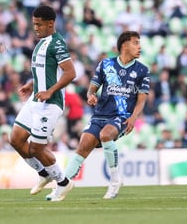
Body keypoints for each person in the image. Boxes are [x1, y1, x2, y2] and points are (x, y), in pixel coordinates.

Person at [46, 31, 150, 200]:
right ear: (124, 46)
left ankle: (115, 180)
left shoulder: (142, 70)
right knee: (83, 146)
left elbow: (142, 100)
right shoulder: (105, 64)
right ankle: (61, 186)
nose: (139, 47)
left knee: (105, 135)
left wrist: (134, 118)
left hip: (122, 116)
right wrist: (90, 95)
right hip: (100, 114)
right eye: (136, 43)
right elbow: (92, 88)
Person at [10, 5, 76, 202]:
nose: (36, 28)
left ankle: (64, 183)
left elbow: (71, 73)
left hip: (51, 102)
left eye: (39, 24)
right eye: (34, 24)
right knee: (15, 139)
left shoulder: (56, 44)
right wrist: (32, 84)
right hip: (36, 99)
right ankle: (44, 173)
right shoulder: (41, 43)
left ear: (51, 24)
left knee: (36, 148)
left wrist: (50, 90)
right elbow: (46, 71)